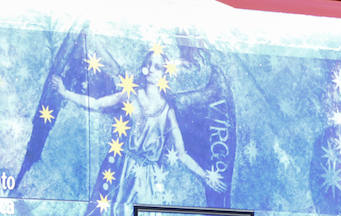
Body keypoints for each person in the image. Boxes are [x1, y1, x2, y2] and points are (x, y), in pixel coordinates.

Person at [51, 50, 225, 216]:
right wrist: (64, 92)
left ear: (164, 73)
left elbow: (182, 153)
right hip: (122, 170)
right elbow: (97, 103)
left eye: (157, 66)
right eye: (149, 64)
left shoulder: (167, 110)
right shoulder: (130, 94)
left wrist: (205, 176)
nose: (151, 69)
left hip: (147, 180)